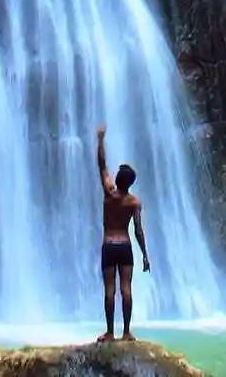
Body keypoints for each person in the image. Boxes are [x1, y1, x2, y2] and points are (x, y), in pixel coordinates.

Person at [94, 123, 149, 342]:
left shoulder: (109, 193)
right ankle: (126, 332)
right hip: (125, 246)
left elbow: (101, 165)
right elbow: (138, 231)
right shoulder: (134, 202)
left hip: (109, 245)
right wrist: (144, 254)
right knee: (126, 287)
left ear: (117, 180)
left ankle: (109, 332)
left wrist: (100, 140)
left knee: (110, 288)